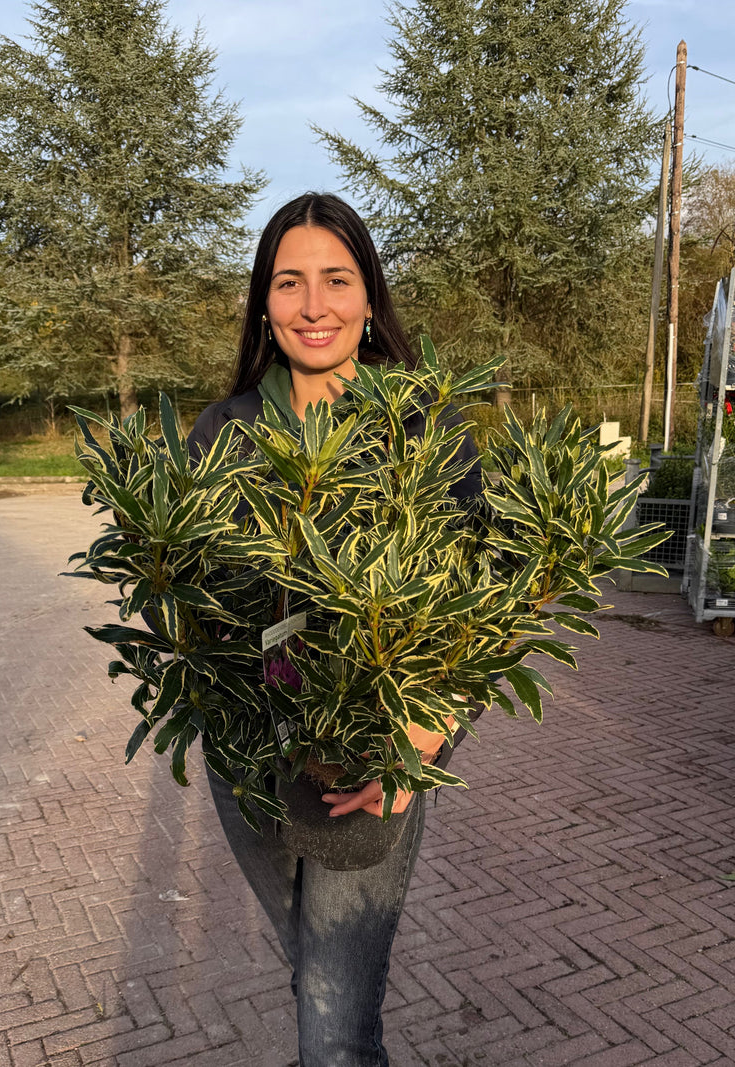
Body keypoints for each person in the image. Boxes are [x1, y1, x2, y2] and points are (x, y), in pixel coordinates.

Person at [186, 192, 481, 1067]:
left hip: (371, 760)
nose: (314, 306)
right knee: (321, 987)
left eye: (336, 279)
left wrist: (417, 744)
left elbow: (488, 606)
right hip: (249, 764)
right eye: (289, 282)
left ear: (369, 293)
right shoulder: (221, 434)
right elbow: (192, 603)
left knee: (333, 1027)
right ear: (263, 302)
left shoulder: (424, 431)